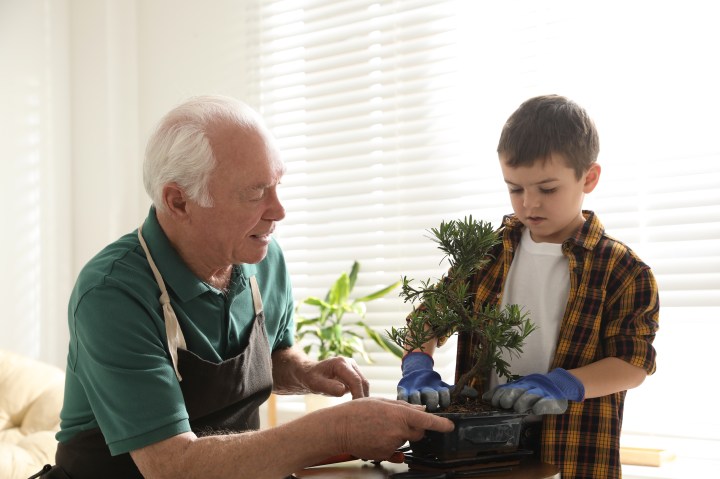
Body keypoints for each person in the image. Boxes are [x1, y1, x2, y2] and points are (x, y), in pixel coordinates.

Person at [39, 95, 453, 479]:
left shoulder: (262, 256)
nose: (279, 210)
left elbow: (270, 356)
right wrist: (337, 431)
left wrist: (306, 372)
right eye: (256, 193)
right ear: (179, 202)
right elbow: (171, 467)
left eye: (277, 185)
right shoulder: (111, 294)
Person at [396, 95, 659, 479]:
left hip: (573, 450)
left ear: (589, 177)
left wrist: (563, 384)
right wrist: (417, 364)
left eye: (547, 189)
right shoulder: (487, 253)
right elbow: (427, 320)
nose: (529, 204)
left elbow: (633, 364)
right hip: (482, 454)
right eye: (515, 189)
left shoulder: (623, 269)